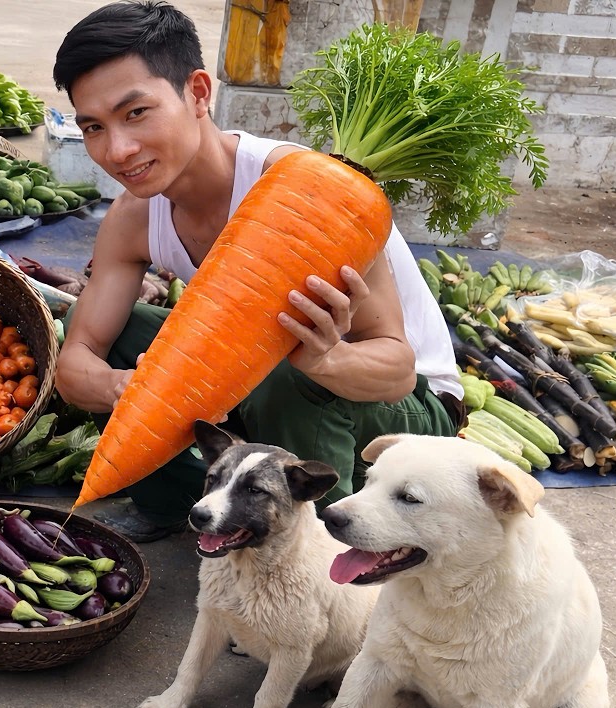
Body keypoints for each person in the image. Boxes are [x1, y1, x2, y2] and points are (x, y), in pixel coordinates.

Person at [51, 0, 463, 543]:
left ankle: (325, 555)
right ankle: (176, 503)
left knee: (286, 365)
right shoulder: (133, 217)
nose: (118, 149)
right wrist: (121, 387)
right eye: (93, 127)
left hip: (411, 414)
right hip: (280, 380)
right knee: (128, 332)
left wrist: (328, 356)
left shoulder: (313, 196)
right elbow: (76, 360)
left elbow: (397, 371)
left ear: (198, 93)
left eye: (135, 113)